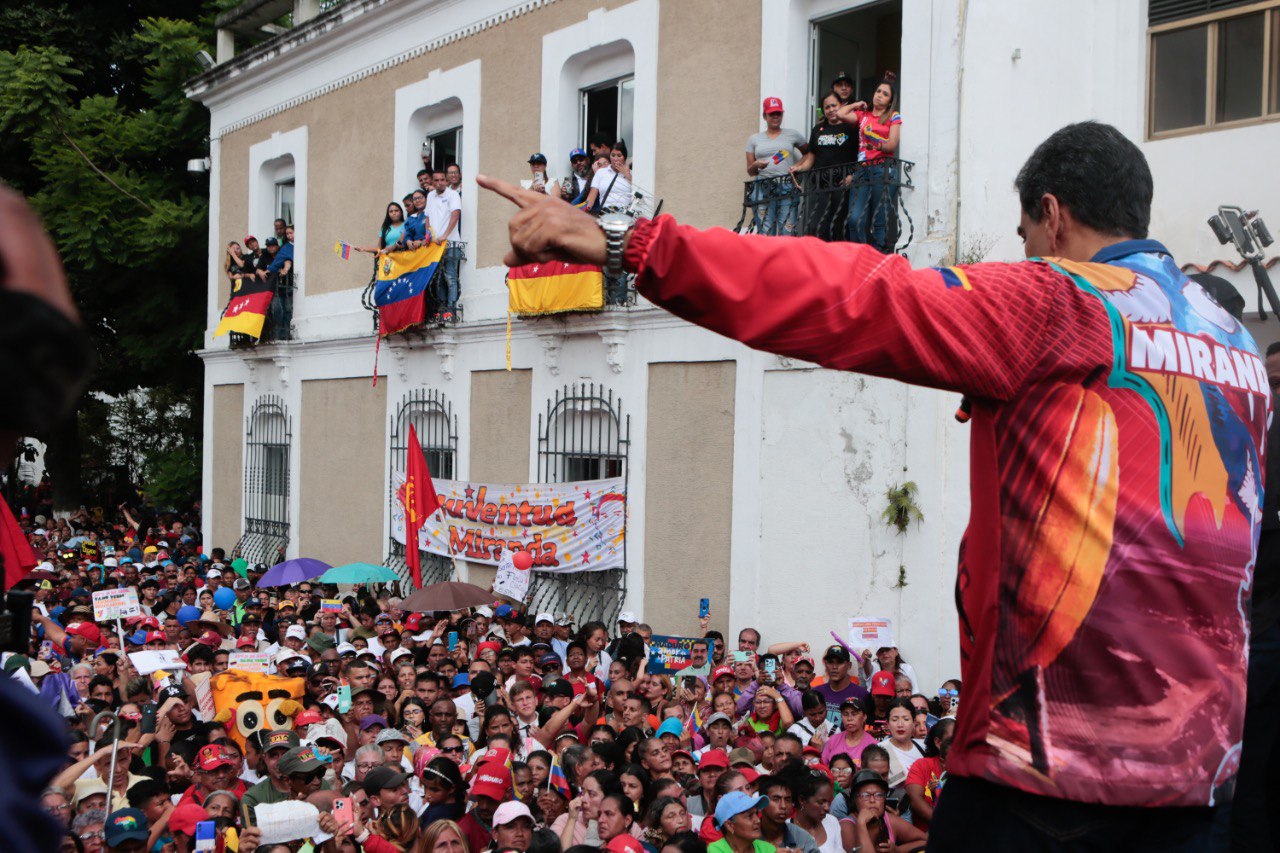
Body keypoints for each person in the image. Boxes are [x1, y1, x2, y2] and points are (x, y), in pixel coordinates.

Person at [478, 118, 1267, 848]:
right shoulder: (1234, 341)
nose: (1028, 253)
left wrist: (630, 242)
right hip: (1197, 792)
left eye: (1028, 235)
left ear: (1052, 216)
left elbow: (858, 296)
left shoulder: (1062, 300)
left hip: (1042, 783)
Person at [835, 72, 902, 251]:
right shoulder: (863, 115)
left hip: (883, 169)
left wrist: (877, 145)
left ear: (890, 101)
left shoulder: (893, 116)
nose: (879, 95)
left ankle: (876, 257)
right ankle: (861, 255)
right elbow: (840, 113)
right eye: (878, 91)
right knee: (854, 218)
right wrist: (856, 104)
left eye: (885, 94)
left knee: (879, 221)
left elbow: (892, 144)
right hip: (862, 170)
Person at [788, 91, 858, 239]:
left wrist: (853, 175)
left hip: (842, 185)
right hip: (820, 186)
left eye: (834, 105)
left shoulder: (851, 128)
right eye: (827, 107)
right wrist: (798, 168)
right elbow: (810, 159)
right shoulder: (818, 130)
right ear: (823, 110)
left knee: (839, 226)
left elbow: (860, 156)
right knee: (817, 226)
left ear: (841, 105)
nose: (831, 109)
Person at [744, 97, 806, 237]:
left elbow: (808, 153)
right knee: (766, 234)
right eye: (772, 113)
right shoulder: (754, 139)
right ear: (764, 116)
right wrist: (756, 164)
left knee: (787, 233)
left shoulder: (792, 134)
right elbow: (750, 171)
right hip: (762, 188)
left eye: (778, 113)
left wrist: (797, 166)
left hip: (787, 187)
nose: (776, 116)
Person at [838, 770, 925, 853]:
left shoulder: (889, 820)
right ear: (855, 800)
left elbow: (927, 841)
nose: (872, 800)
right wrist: (861, 824)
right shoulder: (846, 827)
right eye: (865, 795)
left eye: (878, 795)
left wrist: (898, 850)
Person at [426, 168, 463, 322]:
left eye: (442, 180)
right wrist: (429, 236)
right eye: (436, 180)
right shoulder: (430, 196)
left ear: (446, 181)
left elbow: (455, 214)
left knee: (450, 277)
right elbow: (427, 218)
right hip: (435, 245)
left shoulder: (452, 195)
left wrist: (445, 235)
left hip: (451, 244)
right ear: (432, 182)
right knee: (439, 279)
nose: (440, 183)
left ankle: (451, 309)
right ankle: (441, 309)